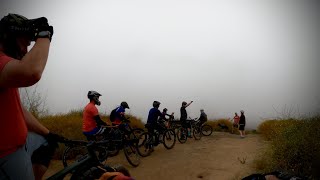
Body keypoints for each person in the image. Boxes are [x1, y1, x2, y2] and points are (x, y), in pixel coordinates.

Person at [0, 13, 63, 180]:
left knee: (46, 143)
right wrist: (44, 33)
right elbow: (32, 72)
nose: (25, 50)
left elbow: (19, 109)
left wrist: (48, 134)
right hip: (8, 152)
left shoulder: (7, 70)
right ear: (8, 37)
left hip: (23, 142)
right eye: (24, 43)